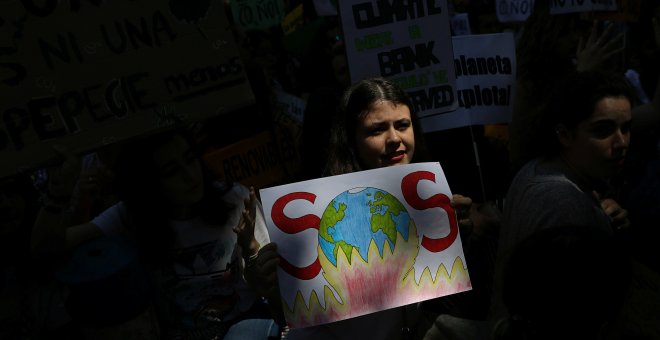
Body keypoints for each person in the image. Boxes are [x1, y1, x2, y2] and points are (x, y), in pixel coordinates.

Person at [251, 77, 476, 339]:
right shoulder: (321, 211)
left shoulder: (432, 198)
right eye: (376, 130)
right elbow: (289, 316)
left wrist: (463, 238)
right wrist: (271, 286)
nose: (394, 138)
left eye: (403, 125)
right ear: (351, 139)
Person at [31, 128, 281, 339]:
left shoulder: (234, 199)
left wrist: (250, 251)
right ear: (148, 183)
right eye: (171, 171)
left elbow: (266, 284)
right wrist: (58, 195)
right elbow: (46, 247)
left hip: (246, 325)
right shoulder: (129, 216)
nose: (189, 175)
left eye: (190, 158)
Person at [489, 70, 637, 336]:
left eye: (626, 128)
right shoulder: (562, 204)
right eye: (603, 130)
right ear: (564, 134)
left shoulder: (539, 170)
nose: (621, 142)